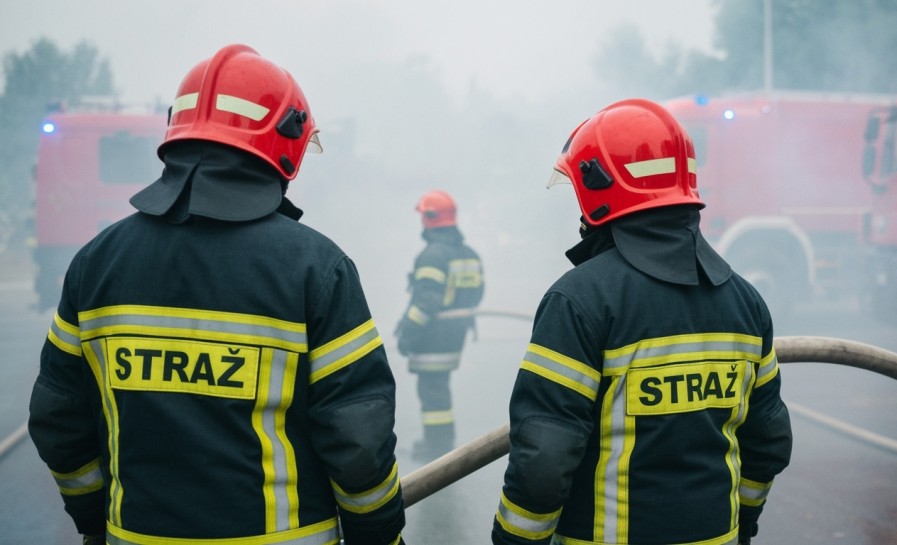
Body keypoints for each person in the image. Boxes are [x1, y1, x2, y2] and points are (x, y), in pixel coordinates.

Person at [27, 44, 406, 545]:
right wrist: (378, 536)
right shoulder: (316, 268)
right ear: (286, 138)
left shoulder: (95, 263)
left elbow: (56, 419)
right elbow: (358, 440)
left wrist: (96, 522)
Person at [491, 98, 793, 545]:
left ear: (599, 188)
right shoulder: (745, 302)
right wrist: (744, 525)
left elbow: (544, 461)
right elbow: (768, 442)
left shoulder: (578, 301)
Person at [394, 190, 485, 462]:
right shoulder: (469, 253)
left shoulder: (432, 256)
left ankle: (437, 449)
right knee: (439, 388)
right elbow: (477, 293)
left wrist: (407, 334)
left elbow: (426, 303)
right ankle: (441, 443)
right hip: (455, 336)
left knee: (432, 391)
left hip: (432, 337)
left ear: (430, 218)